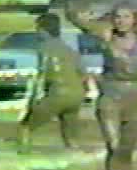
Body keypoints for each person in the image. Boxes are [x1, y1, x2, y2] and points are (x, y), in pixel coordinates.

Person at [65, 0, 137, 170]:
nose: (121, 21)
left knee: (127, 148)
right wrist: (75, 7)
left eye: (126, 17)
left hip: (135, 96)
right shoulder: (107, 36)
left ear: (135, 19)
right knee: (114, 145)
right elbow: (78, 21)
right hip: (111, 96)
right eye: (117, 17)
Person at [17, 13, 88, 156]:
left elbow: (43, 74)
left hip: (57, 94)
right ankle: (74, 152)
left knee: (26, 126)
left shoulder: (44, 48)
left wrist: (33, 101)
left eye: (37, 28)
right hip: (76, 95)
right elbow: (83, 74)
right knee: (69, 128)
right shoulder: (69, 49)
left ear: (43, 30)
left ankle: (23, 153)